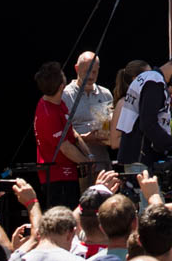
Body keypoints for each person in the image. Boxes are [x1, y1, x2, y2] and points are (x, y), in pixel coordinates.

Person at [119, 54, 172, 172]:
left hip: (138, 156)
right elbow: (148, 124)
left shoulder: (151, 79)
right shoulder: (155, 82)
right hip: (141, 160)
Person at [65, 54, 120, 183]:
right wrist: (85, 137)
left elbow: (110, 125)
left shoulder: (105, 94)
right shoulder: (66, 95)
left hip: (102, 165)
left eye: (94, 71)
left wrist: (109, 136)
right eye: (86, 71)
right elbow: (62, 134)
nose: (90, 76)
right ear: (76, 69)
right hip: (79, 166)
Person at [35, 62, 83, 208]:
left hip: (69, 174)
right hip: (57, 177)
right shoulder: (47, 113)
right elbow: (65, 147)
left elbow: (72, 132)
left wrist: (89, 155)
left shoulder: (59, 103)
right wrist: (86, 162)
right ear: (62, 85)